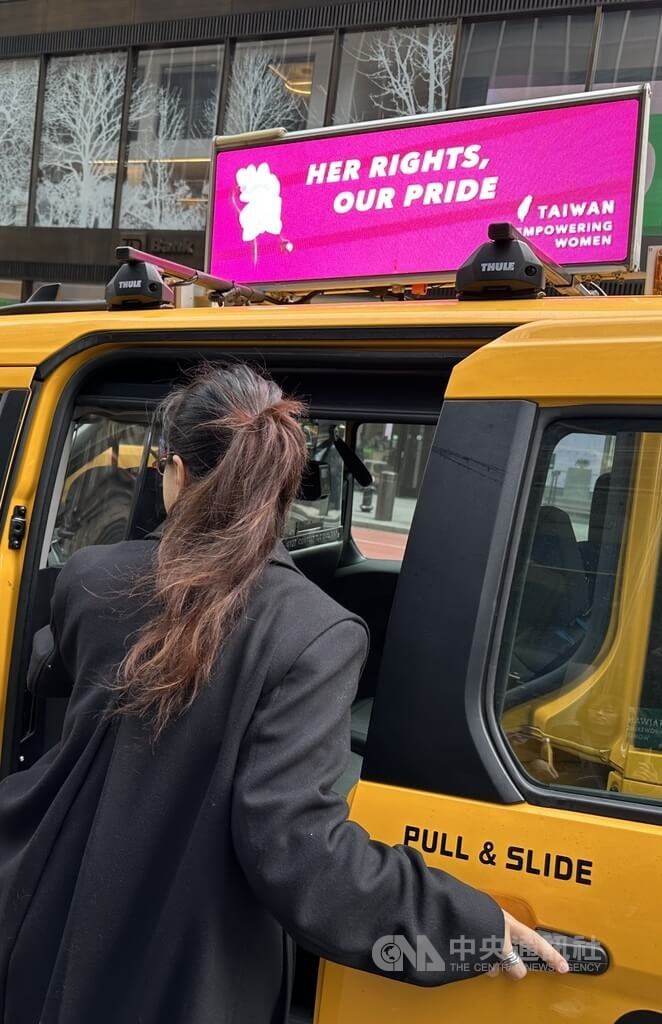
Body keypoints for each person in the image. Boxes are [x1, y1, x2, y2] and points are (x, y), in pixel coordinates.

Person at [0, 364, 568, 1024]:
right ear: (280, 485)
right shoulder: (316, 631)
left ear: (176, 471)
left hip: (51, 928)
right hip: (181, 978)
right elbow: (298, 855)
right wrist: (470, 924)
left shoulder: (90, 577)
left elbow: (51, 668)